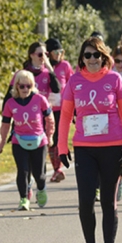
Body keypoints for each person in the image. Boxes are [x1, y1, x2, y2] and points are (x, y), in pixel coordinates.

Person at [57, 37, 122, 243]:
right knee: (85, 201)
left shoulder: (114, 79)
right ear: (82, 58)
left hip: (113, 147)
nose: (92, 59)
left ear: (104, 56)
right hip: (84, 149)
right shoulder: (74, 81)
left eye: (96, 55)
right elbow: (65, 116)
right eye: (88, 55)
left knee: (107, 201)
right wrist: (62, 147)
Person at [0, 70, 55, 210]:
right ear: (16, 86)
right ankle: (23, 198)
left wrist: (50, 136)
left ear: (33, 85)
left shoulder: (40, 99)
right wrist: (1, 143)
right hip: (19, 141)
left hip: (39, 141)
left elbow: (50, 119)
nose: (25, 89)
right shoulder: (10, 103)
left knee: (39, 174)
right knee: (22, 171)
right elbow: (5, 125)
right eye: (22, 86)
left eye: (28, 86)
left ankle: (41, 189)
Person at [45, 38, 74, 182]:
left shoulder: (65, 66)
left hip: (62, 108)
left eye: (61, 52)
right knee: (48, 140)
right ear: (48, 53)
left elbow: (72, 84)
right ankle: (54, 168)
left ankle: (57, 169)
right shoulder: (43, 66)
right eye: (56, 52)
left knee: (57, 138)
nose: (59, 54)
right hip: (45, 109)